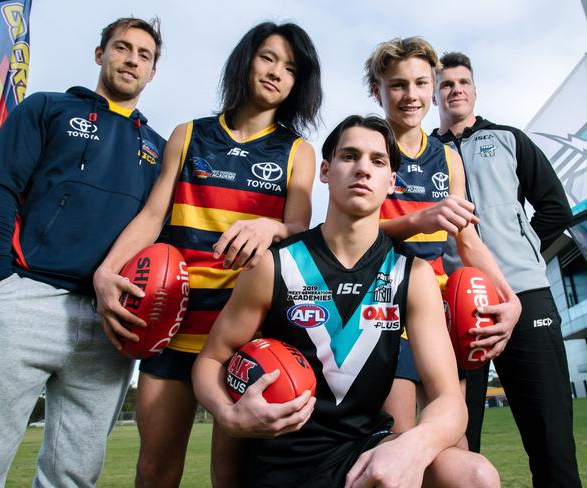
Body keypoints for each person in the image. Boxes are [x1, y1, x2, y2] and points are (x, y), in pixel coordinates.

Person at [192, 115, 500, 488]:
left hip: (366, 452)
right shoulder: (275, 265)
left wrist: (412, 446)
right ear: (325, 170)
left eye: (378, 161)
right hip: (279, 455)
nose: (363, 169)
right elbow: (211, 360)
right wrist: (228, 414)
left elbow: (450, 401)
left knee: (475, 475)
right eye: (349, 156)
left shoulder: (412, 275)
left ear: (391, 181)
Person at [0, 17, 165, 488]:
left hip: (109, 322)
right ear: (99, 54)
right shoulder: (49, 109)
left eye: (144, 55)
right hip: (26, 299)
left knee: (73, 477)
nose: (131, 60)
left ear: (153, 72)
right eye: (122, 48)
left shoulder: (159, 149)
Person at [93, 22, 322, 487]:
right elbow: (153, 216)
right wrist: (105, 272)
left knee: (231, 477)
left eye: (291, 68)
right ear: (246, 60)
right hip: (172, 323)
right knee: (155, 469)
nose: (277, 72)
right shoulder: (188, 134)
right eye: (268, 57)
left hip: (244, 334)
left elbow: (299, 230)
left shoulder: (298, 150)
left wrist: (271, 225)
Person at [432, 51, 580, 487]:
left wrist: (523, 246)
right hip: (457, 303)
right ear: (436, 94)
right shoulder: (423, 155)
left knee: (550, 435)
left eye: (463, 82)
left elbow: (555, 209)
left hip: (525, 292)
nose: (455, 89)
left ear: (475, 90)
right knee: (457, 439)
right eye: (446, 84)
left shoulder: (509, 139)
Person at [362, 37, 522, 433]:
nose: (411, 95)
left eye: (420, 83)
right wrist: (419, 220)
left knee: (456, 448)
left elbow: (467, 241)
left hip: (437, 313)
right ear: (376, 90)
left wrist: (510, 297)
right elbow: (349, 234)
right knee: (397, 443)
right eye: (398, 84)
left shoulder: (447, 158)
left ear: (431, 88)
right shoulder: (367, 144)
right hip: (379, 308)